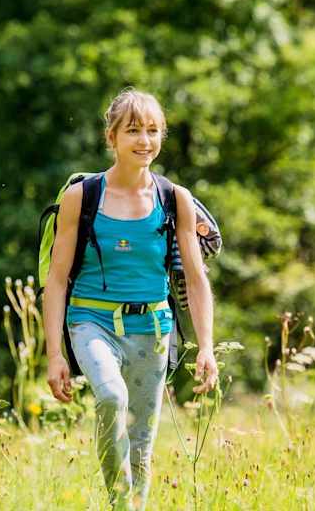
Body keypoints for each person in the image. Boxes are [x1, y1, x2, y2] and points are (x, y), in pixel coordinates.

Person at [43, 88, 218, 510]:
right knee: (111, 397)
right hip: (91, 321)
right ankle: (120, 503)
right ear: (112, 137)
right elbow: (57, 280)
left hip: (153, 329)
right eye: (134, 130)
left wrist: (207, 346)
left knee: (141, 445)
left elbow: (196, 279)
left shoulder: (175, 198)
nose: (145, 140)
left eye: (153, 131)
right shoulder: (81, 197)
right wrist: (54, 354)